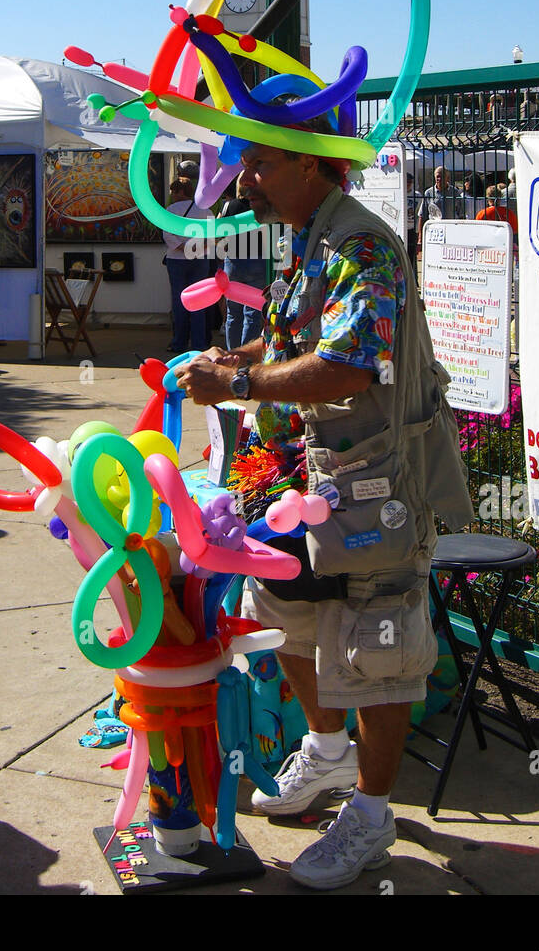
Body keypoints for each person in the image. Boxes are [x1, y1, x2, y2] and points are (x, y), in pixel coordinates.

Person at [176, 135, 472, 890]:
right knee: (284, 618)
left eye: (262, 165)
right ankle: (328, 748)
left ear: (312, 164)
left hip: (366, 489)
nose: (247, 180)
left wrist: (240, 390)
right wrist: (235, 362)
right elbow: (298, 341)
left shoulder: (363, 248)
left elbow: (349, 363)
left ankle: (372, 816)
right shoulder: (307, 239)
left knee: (377, 649)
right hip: (289, 487)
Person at [162, 175, 210, 355]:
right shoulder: (205, 209)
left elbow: (167, 233)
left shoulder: (171, 210)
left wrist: (182, 247)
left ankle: (179, 343)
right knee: (199, 300)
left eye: (174, 191)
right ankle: (199, 343)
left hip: (177, 259)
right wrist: (198, 246)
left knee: (179, 301)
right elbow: (212, 234)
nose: (173, 194)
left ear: (180, 192)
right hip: (200, 258)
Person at [220, 194, 268, 350]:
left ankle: (232, 353)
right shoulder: (263, 205)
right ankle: (245, 357)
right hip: (257, 259)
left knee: (232, 313)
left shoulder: (229, 206)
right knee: (252, 313)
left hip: (233, 261)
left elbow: (218, 231)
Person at [416, 166, 464, 260]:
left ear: (448, 178)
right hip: (435, 233)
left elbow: (461, 213)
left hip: (451, 231)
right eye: (437, 176)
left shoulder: (455, 192)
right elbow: (422, 215)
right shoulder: (428, 193)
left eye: (442, 176)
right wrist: (420, 237)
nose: (439, 179)